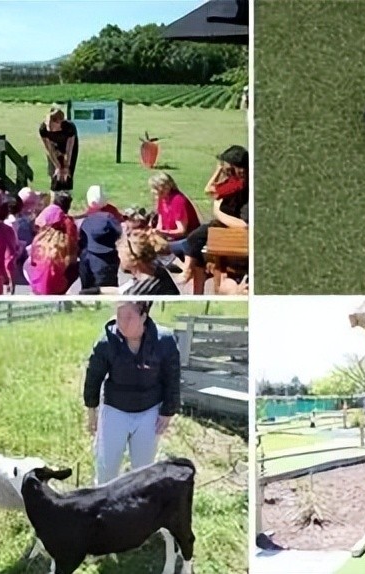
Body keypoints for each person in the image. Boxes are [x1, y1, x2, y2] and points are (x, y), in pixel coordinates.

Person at [84, 301, 181, 485]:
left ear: (143, 317)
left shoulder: (164, 341)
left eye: (129, 317)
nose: (122, 322)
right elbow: (93, 377)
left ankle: (138, 508)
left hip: (148, 409)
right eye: (119, 316)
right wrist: (92, 410)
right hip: (115, 409)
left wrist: (168, 411)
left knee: (143, 470)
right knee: (107, 468)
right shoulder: (106, 342)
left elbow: (172, 377)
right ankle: (104, 505)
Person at [182, 145, 250, 293]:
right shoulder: (234, 180)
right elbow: (209, 189)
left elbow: (244, 225)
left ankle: (188, 271)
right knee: (196, 243)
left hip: (230, 232)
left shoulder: (241, 185)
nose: (223, 166)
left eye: (225, 164)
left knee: (195, 238)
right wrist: (218, 170)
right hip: (222, 227)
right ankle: (193, 285)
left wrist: (217, 211)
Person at [149, 172, 200, 262]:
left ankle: (172, 262)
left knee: (151, 248)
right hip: (169, 237)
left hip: (185, 239)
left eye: (156, 188)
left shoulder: (178, 201)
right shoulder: (162, 199)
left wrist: (162, 233)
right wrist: (156, 232)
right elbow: (160, 225)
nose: (153, 192)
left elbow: (181, 231)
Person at [77, 191, 122, 292]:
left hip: (89, 257)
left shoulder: (87, 220)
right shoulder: (110, 216)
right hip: (107, 261)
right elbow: (119, 231)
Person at [24, 206, 73, 295]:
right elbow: (69, 262)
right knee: (75, 267)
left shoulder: (38, 238)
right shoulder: (62, 239)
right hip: (55, 287)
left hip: (36, 285)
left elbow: (32, 262)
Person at [38, 106, 78, 192]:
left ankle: (66, 197)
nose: (50, 129)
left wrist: (66, 166)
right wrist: (58, 166)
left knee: (67, 174)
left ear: (59, 122)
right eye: (47, 125)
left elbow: (69, 150)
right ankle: (54, 196)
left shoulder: (69, 128)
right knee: (55, 174)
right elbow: (49, 149)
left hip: (68, 146)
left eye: (52, 126)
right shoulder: (43, 129)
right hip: (54, 147)